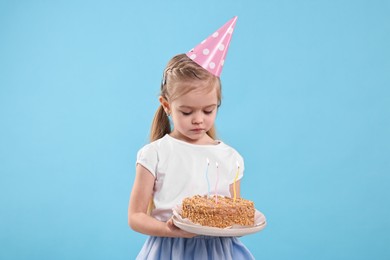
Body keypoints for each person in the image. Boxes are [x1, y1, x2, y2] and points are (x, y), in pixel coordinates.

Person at [128, 17, 255, 259]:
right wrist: (168, 230)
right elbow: (135, 217)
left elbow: (235, 212)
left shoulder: (230, 158)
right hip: (169, 250)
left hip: (219, 251)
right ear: (166, 105)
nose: (199, 120)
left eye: (208, 110)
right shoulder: (154, 154)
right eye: (187, 112)